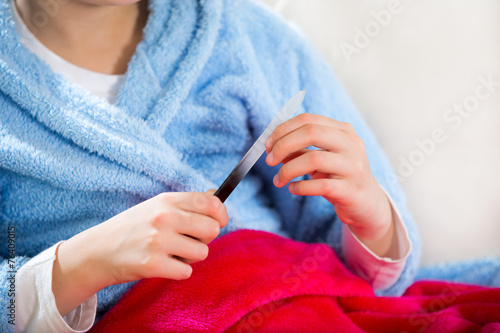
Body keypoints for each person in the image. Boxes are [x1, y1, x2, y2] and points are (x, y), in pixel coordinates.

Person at [0, 0, 420, 332]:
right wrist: (81, 264)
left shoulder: (245, 35)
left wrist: (372, 222)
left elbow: (370, 277)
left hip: (291, 302)